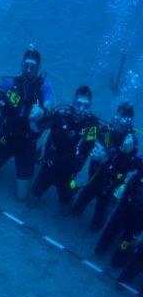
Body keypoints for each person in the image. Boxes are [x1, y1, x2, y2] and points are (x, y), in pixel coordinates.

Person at [0, 47, 55, 201]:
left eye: (32, 67)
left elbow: (50, 101)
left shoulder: (44, 86)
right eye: (26, 65)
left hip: (27, 143)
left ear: (38, 68)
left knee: (21, 197)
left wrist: (43, 111)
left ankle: (36, 153)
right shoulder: (9, 82)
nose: (28, 70)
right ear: (22, 65)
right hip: (8, 137)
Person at [28, 85, 101, 213]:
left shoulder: (92, 125)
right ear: (73, 103)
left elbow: (88, 150)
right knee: (30, 202)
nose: (81, 109)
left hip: (68, 174)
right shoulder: (61, 115)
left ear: (90, 107)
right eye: (78, 104)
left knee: (66, 212)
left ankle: (69, 195)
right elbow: (38, 126)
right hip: (49, 167)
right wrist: (36, 117)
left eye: (86, 105)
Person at [73, 102, 139, 231]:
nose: (118, 122)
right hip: (92, 181)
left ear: (129, 123)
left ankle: (110, 204)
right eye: (118, 115)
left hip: (108, 186)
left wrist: (107, 159)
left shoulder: (130, 144)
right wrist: (89, 123)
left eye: (124, 119)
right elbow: (83, 140)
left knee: (96, 225)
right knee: (76, 210)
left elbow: (126, 168)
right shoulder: (104, 130)